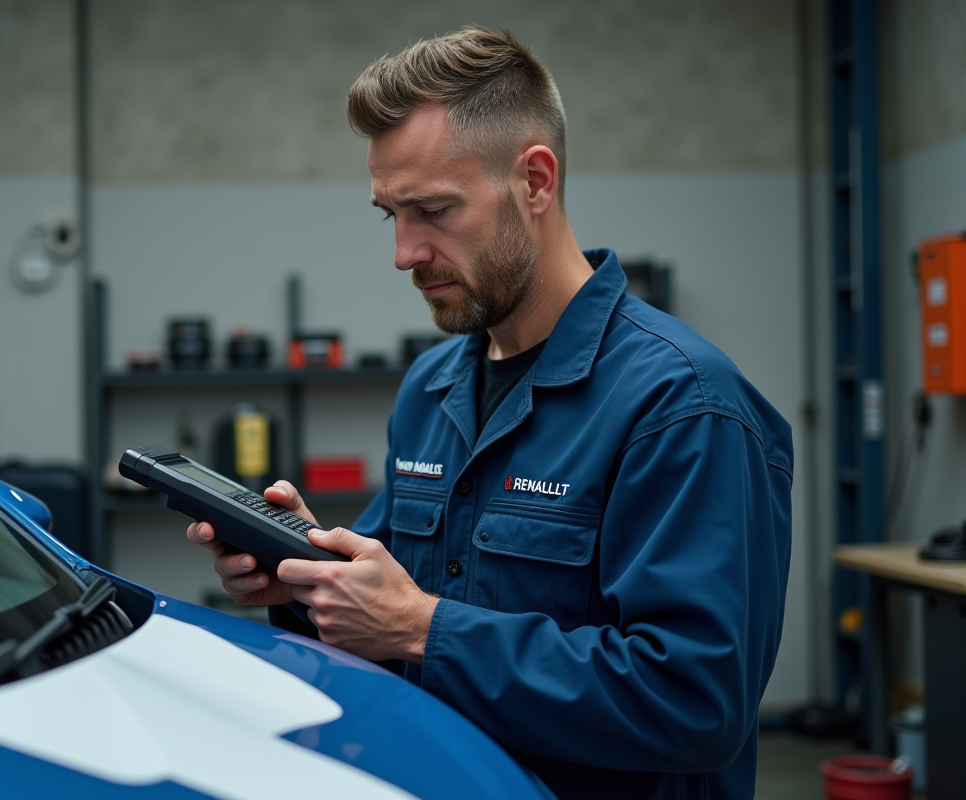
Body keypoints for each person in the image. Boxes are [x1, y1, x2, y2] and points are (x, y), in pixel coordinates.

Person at [187, 26, 792, 799]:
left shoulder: (683, 406)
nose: (405, 253)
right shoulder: (433, 388)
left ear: (535, 182)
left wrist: (421, 627)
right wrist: (307, 587)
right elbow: (391, 601)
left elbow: (696, 702)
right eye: (390, 215)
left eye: (433, 210)